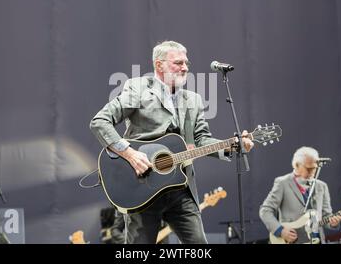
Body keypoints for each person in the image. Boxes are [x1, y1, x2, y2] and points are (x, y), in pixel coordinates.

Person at [90, 40, 254, 244]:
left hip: (181, 189)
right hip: (143, 189)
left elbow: (201, 140)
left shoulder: (192, 100)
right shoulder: (138, 88)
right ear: (159, 65)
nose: (185, 67)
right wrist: (130, 153)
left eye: (186, 63)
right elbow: (99, 122)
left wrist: (232, 145)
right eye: (178, 62)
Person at [259, 146, 341, 244]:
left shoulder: (321, 186)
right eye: (308, 168)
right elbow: (265, 210)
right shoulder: (283, 183)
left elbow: (325, 215)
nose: (312, 172)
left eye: (314, 168)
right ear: (297, 165)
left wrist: (333, 223)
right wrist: (280, 231)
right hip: (293, 240)